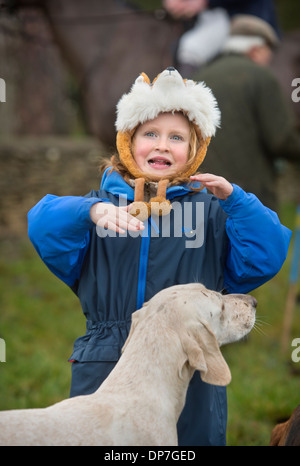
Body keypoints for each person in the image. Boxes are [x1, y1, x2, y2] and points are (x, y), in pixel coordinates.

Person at [28, 68, 291, 446]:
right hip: (107, 358)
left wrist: (237, 201)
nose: (162, 146)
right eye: (150, 134)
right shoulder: (101, 208)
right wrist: (88, 213)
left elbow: (265, 255)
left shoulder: (213, 212)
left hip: (192, 362)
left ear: (196, 148)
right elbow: (43, 227)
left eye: (177, 138)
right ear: (127, 141)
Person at [194, 15, 300, 211]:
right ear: (256, 49)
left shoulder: (200, 76)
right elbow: (281, 140)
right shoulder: (261, 77)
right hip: (251, 198)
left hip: (204, 196)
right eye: (269, 51)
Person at [163, 0, 280, 75]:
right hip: (207, 18)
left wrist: (203, 2)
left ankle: (182, 102)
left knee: (192, 48)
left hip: (247, 18)